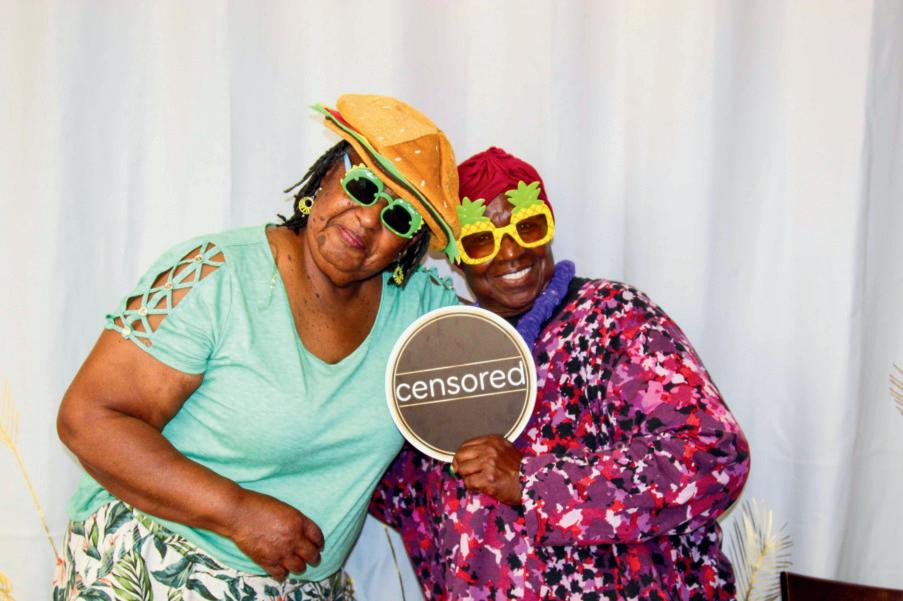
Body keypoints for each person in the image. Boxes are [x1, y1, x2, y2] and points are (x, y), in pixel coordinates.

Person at [53, 94, 462, 601]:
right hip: (152, 568)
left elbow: (502, 362)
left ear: (412, 245)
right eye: (362, 186)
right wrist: (236, 511)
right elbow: (88, 419)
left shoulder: (420, 310)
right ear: (326, 175)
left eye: (399, 217)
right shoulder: (216, 275)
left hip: (303, 588)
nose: (367, 219)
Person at [370, 147, 751, 600]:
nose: (511, 251)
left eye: (527, 226)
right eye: (480, 239)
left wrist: (533, 483)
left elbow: (712, 457)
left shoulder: (614, 319)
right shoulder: (441, 358)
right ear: (455, 256)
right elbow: (404, 495)